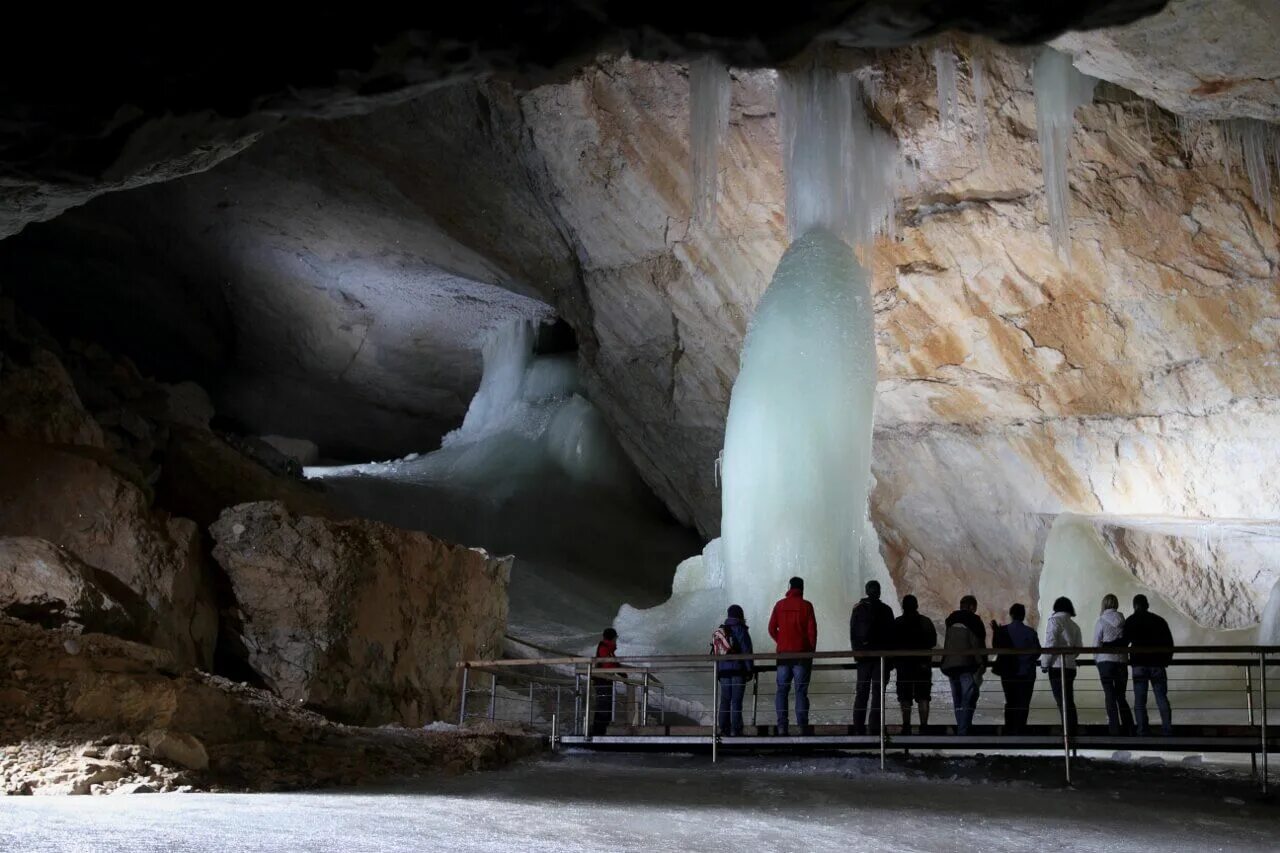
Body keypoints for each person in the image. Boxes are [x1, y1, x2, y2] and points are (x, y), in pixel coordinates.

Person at [1115, 593, 1175, 736]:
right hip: (1157, 664)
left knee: (1140, 701)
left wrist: (1107, 645)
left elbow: (1124, 643)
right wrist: (1166, 660)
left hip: (1139, 664)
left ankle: (1142, 730)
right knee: (1161, 698)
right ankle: (1167, 730)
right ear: (1147, 605)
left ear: (1134, 606)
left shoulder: (1131, 621)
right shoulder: (1159, 621)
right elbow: (1169, 643)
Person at [768, 576, 817, 736]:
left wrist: (781, 641)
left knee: (782, 690)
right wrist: (810, 651)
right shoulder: (806, 606)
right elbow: (812, 633)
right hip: (801, 656)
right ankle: (802, 726)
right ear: (802, 588)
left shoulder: (780, 605)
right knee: (801, 691)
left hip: (783, 656)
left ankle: (782, 726)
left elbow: (771, 628)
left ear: (789, 587)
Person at [850, 580, 895, 734]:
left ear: (867, 591)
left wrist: (857, 653)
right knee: (877, 693)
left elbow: (853, 633)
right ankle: (874, 726)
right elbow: (891, 636)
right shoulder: (886, 610)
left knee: (861, 692)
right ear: (879, 592)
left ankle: (858, 726)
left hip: (863, 658)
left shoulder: (858, 609)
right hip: (880, 658)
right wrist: (889, 660)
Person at [891, 595, 937, 735]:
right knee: (923, 696)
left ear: (903, 606)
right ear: (916, 606)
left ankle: (906, 726)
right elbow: (933, 642)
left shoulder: (897, 622)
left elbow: (891, 642)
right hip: (922, 665)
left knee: (905, 697)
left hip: (903, 665)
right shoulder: (926, 622)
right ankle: (924, 726)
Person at [940, 595, 986, 735]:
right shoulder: (974, 620)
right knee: (968, 698)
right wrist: (981, 664)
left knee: (957, 700)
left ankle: (961, 728)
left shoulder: (951, 620)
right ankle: (963, 731)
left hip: (949, 666)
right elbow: (976, 644)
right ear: (972, 606)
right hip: (967, 665)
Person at [990, 603, 1039, 734]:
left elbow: (996, 648)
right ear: (1023, 616)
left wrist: (995, 631)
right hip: (1027, 672)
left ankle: (1009, 729)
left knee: (1010, 701)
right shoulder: (1030, 632)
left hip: (1009, 672)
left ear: (1011, 615)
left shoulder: (1003, 631)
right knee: (1023, 703)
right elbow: (1037, 652)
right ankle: (1021, 729)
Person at [1093, 594, 1134, 735]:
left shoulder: (1101, 622)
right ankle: (1129, 728)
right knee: (1121, 696)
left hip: (1106, 662)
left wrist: (1097, 660)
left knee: (1109, 696)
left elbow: (1096, 645)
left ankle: (1114, 729)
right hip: (1122, 661)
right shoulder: (1123, 621)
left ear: (1103, 605)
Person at [1040, 597, 1081, 737]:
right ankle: (1072, 729)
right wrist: (1070, 658)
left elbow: (1050, 644)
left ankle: (1067, 733)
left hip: (1057, 666)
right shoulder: (1074, 625)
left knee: (1061, 701)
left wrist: (1044, 664)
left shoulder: (1054, 621)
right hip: (1070, 667)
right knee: (1069, 700)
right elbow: (1079, 648)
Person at [715, 604, 755, 737]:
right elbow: (747, 651)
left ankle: (723, 728)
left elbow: (718, 653)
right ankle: (735, 730)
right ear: (740, 615)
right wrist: (750, 670)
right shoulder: (741, 629)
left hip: (724, 672)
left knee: (725, 700)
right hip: (738, 670)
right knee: (736, 701)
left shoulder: (722, 630)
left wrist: (719, 672)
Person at [591, 628, 620, 736]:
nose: (616, 640)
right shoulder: (605, 648)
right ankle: (598, 732)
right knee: (603, 706)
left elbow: (613, 664)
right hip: (602, 681)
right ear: (612, 638)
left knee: (605, 706)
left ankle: (600, 732)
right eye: (615, 638)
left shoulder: (608, 649)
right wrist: (621, 673)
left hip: (605, 681)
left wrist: (622, 673)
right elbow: (608, 664)